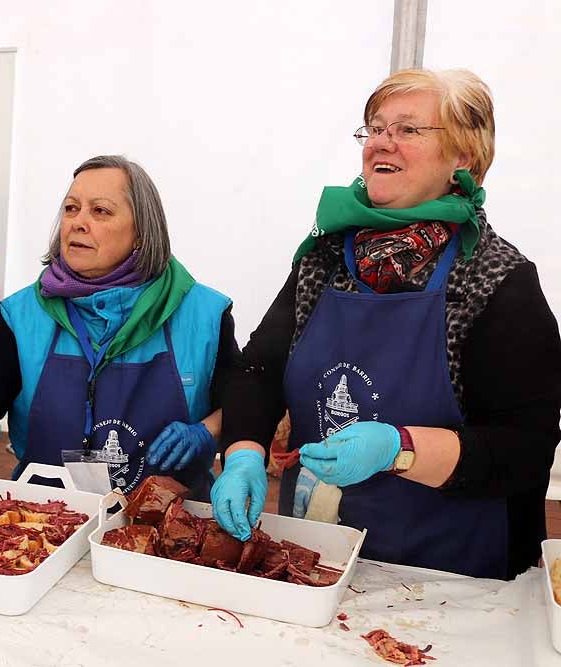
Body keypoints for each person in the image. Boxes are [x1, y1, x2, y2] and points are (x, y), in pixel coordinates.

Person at [212, 69, 561, 580]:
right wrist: (243, 452)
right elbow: (259, 371)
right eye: (375, 128)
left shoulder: (495, 278)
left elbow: (524, 447)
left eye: (408, 130)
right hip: (316, 558)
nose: (382, 142)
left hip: (446, 580)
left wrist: (401, 449)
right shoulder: (325, 258)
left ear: (463, 157)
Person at [0, 155, 238, 521]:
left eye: (100, 211)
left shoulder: (201, 313)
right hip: (43, 524)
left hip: (171, 527)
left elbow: (244, 400)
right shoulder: (27, 315)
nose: (78, 222)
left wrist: (206, 432)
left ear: (142, 231)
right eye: (71, 209)